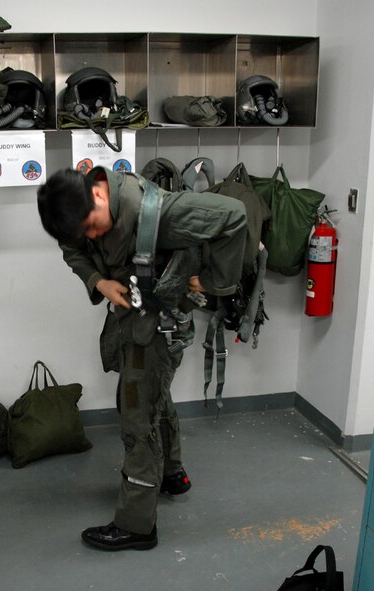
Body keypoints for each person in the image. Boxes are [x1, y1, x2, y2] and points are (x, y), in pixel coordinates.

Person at [36, 166, 246, 551]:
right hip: (138, 321)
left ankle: (136, 525)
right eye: (85, 232)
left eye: (94, 226)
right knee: (153, 397)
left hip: (161, 326)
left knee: (136, 414)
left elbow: (233, 215)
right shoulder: (80, 211)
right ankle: (172, 474)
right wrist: (98, 281)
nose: (93, 236)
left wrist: (218, 282)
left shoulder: (160, 215)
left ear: (98, 196)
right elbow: (73, 248)